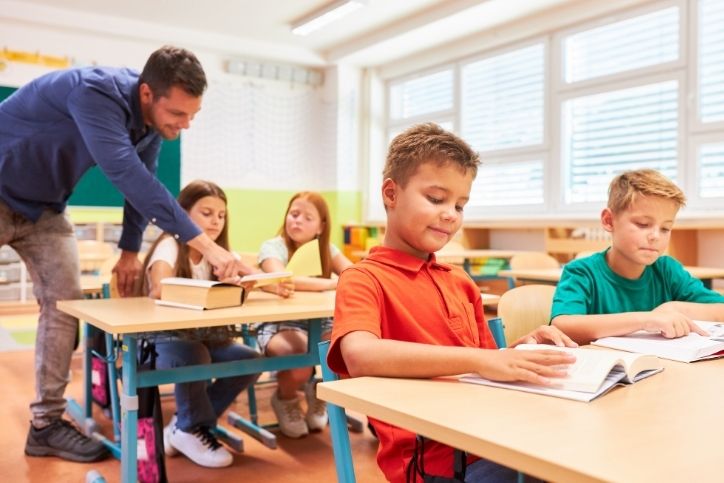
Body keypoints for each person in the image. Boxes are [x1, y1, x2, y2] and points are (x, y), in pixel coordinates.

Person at [0, 45, 249, 463]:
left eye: (193, 115)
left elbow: (144, 183)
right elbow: (127, 175)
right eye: (178, 115)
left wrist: (130, 251)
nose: (185, 125)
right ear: (148, 94)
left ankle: (45, 425)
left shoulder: (152, 126)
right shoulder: (94, 92)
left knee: (66, 305)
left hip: (45, 209)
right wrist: (204, 244)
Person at [326, 123, 577, 483]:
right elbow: (360, 355)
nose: (451, 214)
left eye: (460, 205)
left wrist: (523, 352)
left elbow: (487, 366)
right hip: (435, 462)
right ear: (391, 194)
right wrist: (483, 360)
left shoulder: (459, 281)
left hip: (492, 436)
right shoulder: (364, 278)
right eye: (436, 199)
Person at [143, 180, 285, 468]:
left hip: (206, 338)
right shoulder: (171, 243)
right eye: (206, 213)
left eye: (221, 216)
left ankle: (186, 426)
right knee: (196, 356)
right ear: (182, 214)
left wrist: (260, 285)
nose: (216, 222)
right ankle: (192, 427)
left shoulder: (219, 252)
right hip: (164, 341)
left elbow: (256, 278)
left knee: (251, 360)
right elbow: (158, 288)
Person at [551, 169, 724, 344]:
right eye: (643, 224)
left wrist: (675, 308)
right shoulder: (581, 272)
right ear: (609, 221)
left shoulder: (667, 270)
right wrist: (645, 320)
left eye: (665, 228)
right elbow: (562, 325)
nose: (655, 236)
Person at [256, 192, 353, 438]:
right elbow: (283, 279)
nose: (297, 221)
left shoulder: (327, 248)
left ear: (321, 226)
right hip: (279, 323)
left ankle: (319, 390)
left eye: (307, 217)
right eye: (294, 214)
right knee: (299, 357)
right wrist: (332, 283)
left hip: (320, 319)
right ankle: (286, 399)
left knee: (348, 350)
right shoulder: (272, 247)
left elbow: (352, 275)